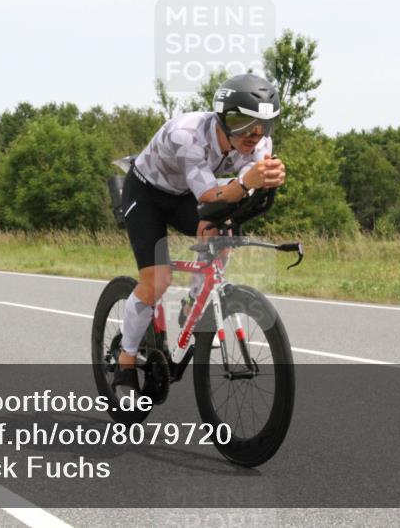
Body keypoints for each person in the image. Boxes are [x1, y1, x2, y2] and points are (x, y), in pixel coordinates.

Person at [114, 73, 287, 399]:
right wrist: (249, 180)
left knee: (223, 231)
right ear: (222, 117)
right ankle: (125, 359)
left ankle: (193, 299)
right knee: (158, 280)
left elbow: (245, 194)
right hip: (147, 192)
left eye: (264, 124)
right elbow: (210, 196)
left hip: (184, 194)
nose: (253, 134)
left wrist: (270, 178)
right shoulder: (187, 135)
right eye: (243, 122)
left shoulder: (261, 141)